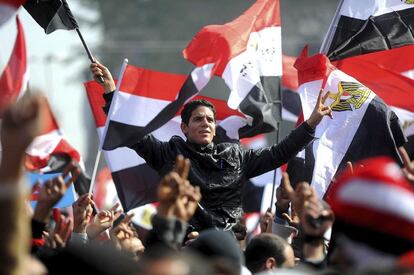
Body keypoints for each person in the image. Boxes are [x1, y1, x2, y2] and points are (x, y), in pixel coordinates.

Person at [90, 61, 333, 232]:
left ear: (216, 128)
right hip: (184, 244)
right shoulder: (169, 154)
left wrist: (311, 123)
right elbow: (133, 135)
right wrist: (111, 91)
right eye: (197, 119)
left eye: (209, 120)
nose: (205, 123)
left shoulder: (236, 156)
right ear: (184, 128)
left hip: (228, 245)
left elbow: (280, 152)